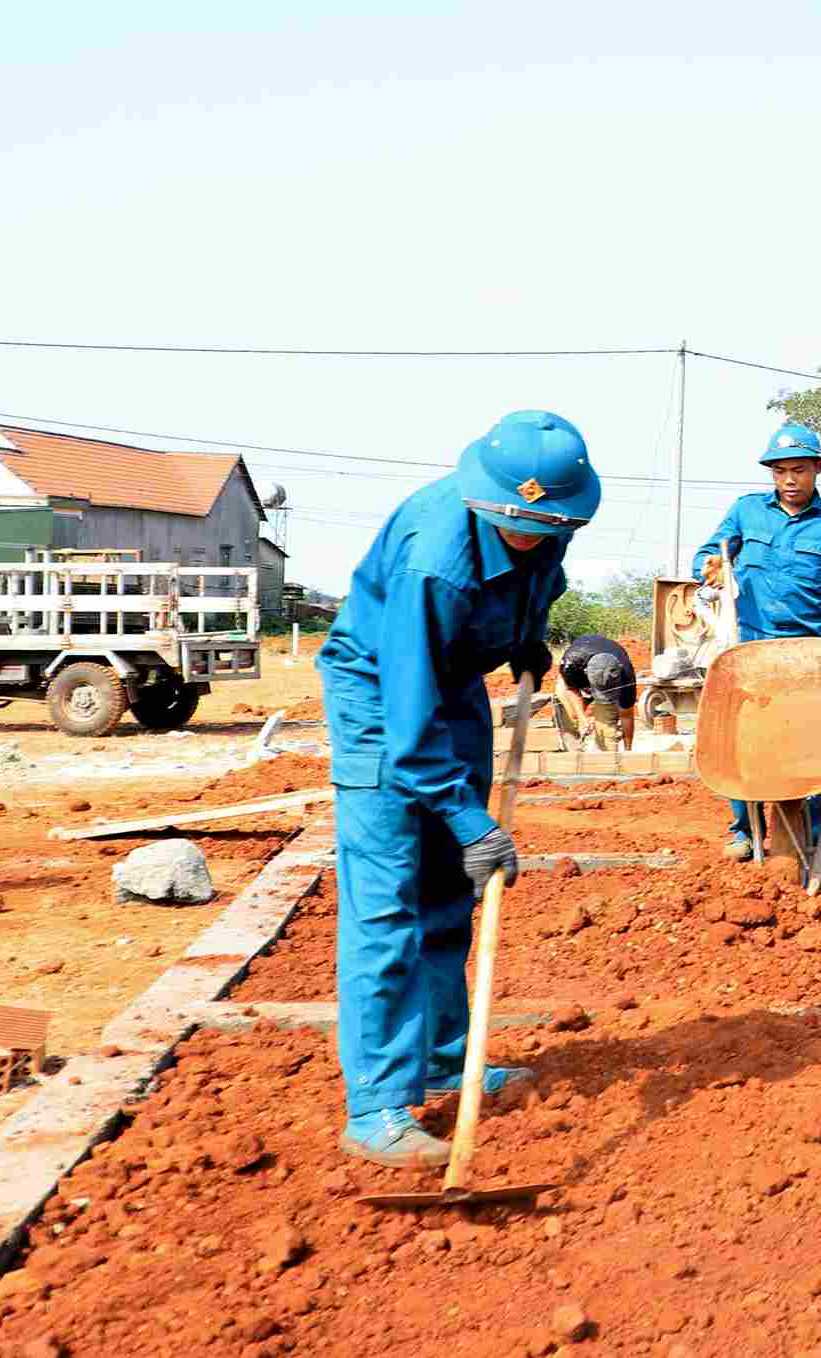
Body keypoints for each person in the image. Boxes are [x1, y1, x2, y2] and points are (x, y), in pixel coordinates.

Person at [315, 410, 600, 1168]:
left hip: (455, 682)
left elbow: (534, 587)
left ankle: (446, 1058)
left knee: (449, 892)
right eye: (519, 527)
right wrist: (466, 818)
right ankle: (377, 1105)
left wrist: (525, 642)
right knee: (389, 905)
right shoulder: (433, 559)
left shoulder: (550, 522)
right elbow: (410, 722)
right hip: (382, 701)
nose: (532, 537)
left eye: (547, 527)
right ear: (486, 499)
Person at [693, 424, 821, 886]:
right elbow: (710, 553)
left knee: (811, 751)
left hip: (808, 654)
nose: (789, 480)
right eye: (780, 472)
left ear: (817, 469)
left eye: (799, 470)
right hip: (751, 647)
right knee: (745, 744)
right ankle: (744, 832)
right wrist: (710, 566)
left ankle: (815, 849)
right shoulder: (746, 511)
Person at [554, 633, 639, 750]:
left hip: (604, 665)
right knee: (569, 714)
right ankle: (572, 749)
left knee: (606, 727)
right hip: (576, 671)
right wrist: (582, 718)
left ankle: (607, 755)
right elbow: (570, 689)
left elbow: (627, 716)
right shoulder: (571, 663)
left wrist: (628, 750)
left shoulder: (626, 676)